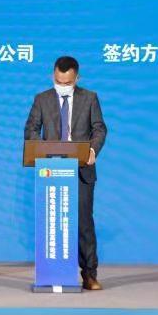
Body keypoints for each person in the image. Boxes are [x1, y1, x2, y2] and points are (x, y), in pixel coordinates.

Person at [24, 56, 107, 290]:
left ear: (77, 78)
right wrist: (41, 148)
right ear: (53, 76)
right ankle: (53, 274)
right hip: (51, 170)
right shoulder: (41, 99)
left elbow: (99, 129)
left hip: (81, 170)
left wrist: (92, 150)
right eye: (59, 81)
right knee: (52, 223)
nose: (62, 86)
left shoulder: (90, 98)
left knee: (83, 224)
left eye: (67, 82)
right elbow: (31, 129)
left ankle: (89, 274)